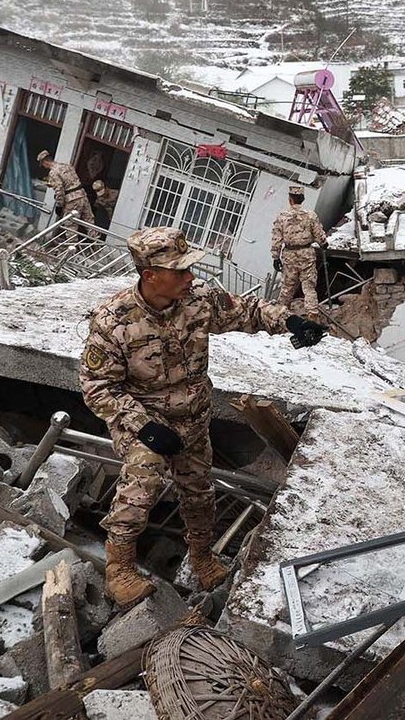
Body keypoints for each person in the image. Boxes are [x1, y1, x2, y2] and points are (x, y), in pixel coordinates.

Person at [80, 226, 324, 610]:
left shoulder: (198, 300)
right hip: (144, 423)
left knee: (198, 491)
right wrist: (145, 426)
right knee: (143, 481)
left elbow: (249, 311)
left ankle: (201, 557)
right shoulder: (114, 322)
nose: (190, 277)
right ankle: (120, 569)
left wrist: (291, 322)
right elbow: (97, 387)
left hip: (192, 419)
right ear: (150, 275)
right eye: (180, 271)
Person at [271, 185, 328, 322]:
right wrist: (323, 243)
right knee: (308, 287)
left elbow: (276, 239)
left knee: (287, 287)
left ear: (290, 200)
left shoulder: (282, 217)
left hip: (290, 255)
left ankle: (279, 315)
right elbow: (319, 234)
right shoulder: (311, 215)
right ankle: (312, 315)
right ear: (302, 199)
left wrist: (275, 257)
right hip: (306, 254)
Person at [37, 150, 95, 238]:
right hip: (82, 196)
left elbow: (60, 191)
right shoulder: (66, 166)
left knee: (70, 227)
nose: (44, 167)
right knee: (89, 222)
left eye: (43, 164)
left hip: (72, 200)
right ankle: (96, 245)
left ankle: (73, 249)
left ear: (45, 161)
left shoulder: (53, 173)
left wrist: (59, 205)